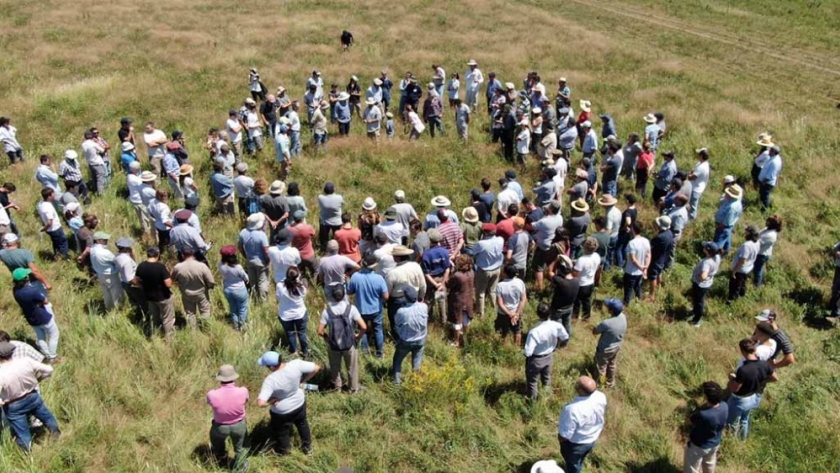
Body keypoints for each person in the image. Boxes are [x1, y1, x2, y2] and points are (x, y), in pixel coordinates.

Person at [256, 351, 320, 455]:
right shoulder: (296, 364)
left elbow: (260, 403)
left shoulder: (270, 380)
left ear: (272, 367)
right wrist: (303, 380)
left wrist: (271, 402)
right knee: (302, 424)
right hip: (299, 403)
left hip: (282, 412)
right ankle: (307, 448)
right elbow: (316, 368)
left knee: (282, 432)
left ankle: (285, 452)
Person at [0, 342, 60, 451]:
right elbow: (49, 369)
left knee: (22, 433)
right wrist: (40, 378)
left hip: (13, 405)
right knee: (47, 417)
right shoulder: (25, 361)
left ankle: (28, 455)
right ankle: (56, 434)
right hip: (32, 396)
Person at [726, 339, 778, 440]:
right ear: (754, 349)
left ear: (742, 351)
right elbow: (775, 378)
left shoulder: (743, 370)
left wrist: (731, 379)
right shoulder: (764, 364)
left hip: (739, 400)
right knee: (744, 420)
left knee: (732, 423)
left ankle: (732, 442)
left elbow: (735, 389)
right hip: (753, 397)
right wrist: (761, 379)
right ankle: (743, 440)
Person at [318, 286, 366, 393]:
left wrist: (327, 338)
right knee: (352, 367)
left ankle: (336, 388)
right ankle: (353, 389)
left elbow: (320, 331)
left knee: (335, 368)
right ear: (344, 295)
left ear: (332, 296)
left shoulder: (327, 312)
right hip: (349, 344)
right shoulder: (351, 309)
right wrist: (358, 336)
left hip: (334, 345)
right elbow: (364, 327)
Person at [205, 364, 250, 472]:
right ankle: (241, 467)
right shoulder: (243, 391)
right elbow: (246, 401)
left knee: (217, 444)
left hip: (220, 426)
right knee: (240, 448)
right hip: (239, 424)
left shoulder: (212, 394)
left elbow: (209, 403)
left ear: (219, 379)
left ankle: (221, 460)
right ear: (234, 377)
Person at [557, 376, 607, 473]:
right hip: (593, 437)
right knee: (581, 456)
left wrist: (560, 438)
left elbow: (566, 435)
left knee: (573, 464)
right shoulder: (601, 396)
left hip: (577, 443)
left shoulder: (572, 409)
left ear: (581, 390)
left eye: (577, 384)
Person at [12, 269, 60, 362]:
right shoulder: (32, 291)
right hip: (43, 316)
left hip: (31, 318)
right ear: (25, 278)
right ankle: (53, 356)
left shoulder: (15, 291)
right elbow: (45, 301)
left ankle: (47, 355)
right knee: (54, 334)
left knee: (40, 336)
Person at [524, 302, 569, 399]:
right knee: (547, 378)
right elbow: (565, 336)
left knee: (532, 382)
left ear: (537, 313)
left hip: (536, 359)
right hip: (549, 356)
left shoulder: (534, 331)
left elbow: (528, 352)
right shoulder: (556, 326)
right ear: (550, 313)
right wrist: (557, 344)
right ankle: (546, 398)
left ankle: (532, 403)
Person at [347, 254, 389, 358]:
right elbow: (386, 296)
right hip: (376, 309)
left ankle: (365, 354)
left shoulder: (355, 276)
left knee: (363, 330)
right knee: (378, 330)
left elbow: (349, 292)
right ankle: (380, 353)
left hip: (360, 310)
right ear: (374, 266)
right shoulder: (379, 278)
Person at [683, 381, 728, 473]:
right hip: (715, 442)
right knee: (709, 463)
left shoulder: (703, 414)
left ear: (706, 397)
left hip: (699, 445)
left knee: (692, 468)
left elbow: (688, 422)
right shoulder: (725, 406)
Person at [133, 246, 175, 341]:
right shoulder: (160, 267)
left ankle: (155, 336)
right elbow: (168, 284)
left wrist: (142, 286)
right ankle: (169, 339)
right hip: (163, 297)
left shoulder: (141, 266)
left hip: (149, 297)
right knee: (167, 318)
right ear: (158, 255)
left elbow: (136, 281)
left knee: (154, 318)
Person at [386, 245, 427, 340]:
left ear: (397, 257)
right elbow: (423, 285)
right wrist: (421, 296)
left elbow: (388, 291)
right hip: (414, 296)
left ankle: (398, 340)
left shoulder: (392, 273)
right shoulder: (416, 266)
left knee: (396, 322)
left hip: (397, 300)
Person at [171, 246, 215, 328]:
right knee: (205, 311)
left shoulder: (178, 267)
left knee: (190, 313)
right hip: (202, 293)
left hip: (186, 294)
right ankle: (206, 328)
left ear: (182, 255)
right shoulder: (201, 266)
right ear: (193, 254)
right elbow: (211, 281)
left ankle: (193, 331)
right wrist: (209, 287)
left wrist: (179, 284)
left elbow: (172, 279)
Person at [392, 286, 428, 384]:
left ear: (405, 297)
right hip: (420, 339)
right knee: (417, 362)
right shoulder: (424, 307)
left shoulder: (402, 311)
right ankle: (415, 382)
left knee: (397, 360)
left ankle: (397, 382)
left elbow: (396, 323)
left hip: (406, 340)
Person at [275, 265, 310, 356]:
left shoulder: (279, 286)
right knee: (302, 333)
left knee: (290, 333)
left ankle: (294, 351)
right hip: (300, 314)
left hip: (285, 315)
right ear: (297, 276)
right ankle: (305, 351)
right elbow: (304, 294)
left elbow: (278, 298)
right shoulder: (301, 287)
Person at [592, 298, 626, 388]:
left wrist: (595, 328)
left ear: (611, 311)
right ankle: (610, 383)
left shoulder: (606, 323)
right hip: (617, 346)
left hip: (605, 349)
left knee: (601, 367)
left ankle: (600, 385)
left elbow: (595, 332)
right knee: (612, 365)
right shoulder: (623, 317)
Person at [474, 224, 504, 318]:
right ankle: (494, 308)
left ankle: (481, 313)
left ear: (485, 232)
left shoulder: (481, 243)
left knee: (481, 292)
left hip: (484, 270)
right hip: (497, 269)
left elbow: (473, 252)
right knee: (492, 290)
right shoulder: (500, 240)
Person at [89, 231, 125, 311]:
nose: (106, 241)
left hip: (100, 274)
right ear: (98, 240)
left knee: (106, 293)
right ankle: (119, 310)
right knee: (117, 293)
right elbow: (116, 261)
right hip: (110, 275)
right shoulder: (105, 252)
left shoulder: (92, 249)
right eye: (104, 240)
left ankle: (109, 309)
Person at [421, 229, 451, 324]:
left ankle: (429, 320)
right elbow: (447, 269)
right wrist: (441, 284)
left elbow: (426, 273)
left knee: (429, 301)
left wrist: (434, 284)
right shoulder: (445, 252)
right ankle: (443, 321)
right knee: (441, 301)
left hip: (430, 281)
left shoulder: (426, 254)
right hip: (442, 278)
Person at [690, 242, 721, 326]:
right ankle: (694, 310)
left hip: (701, 284)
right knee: (697, 299)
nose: (703, 247)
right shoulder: (717, 257)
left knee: (699, 301)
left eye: (705, 247)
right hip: (707, 283)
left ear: (708, 251)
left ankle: (696, 321)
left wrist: (699, 276)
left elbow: (704, 276)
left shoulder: (707, 262)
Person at [495, 264, 527, 346]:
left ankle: (503, 348)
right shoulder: (520, 282)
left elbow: (500, 303)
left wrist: (509, 314)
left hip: (503, 313)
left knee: (503, 332)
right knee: (517, 330)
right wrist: (516, 314)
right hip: (516, 312)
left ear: (505, 273)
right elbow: (523, 299)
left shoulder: (500, 285)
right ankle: (516, 348)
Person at [728, 225, 760, 301]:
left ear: (750, 233)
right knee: (742, 284)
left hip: (740, 270)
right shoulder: (757, 242)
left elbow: (742, 260)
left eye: (747, 231)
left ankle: (731, 301)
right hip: (748, 268)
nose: (745, 232)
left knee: (734, 287)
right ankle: (742, 297)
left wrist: (734, 271)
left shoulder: (747, 245)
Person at [646, 216, 674, 302]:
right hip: (663, 258)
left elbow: (650, 248)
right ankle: (658, 287)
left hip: (656, 259)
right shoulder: (669, 233)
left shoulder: (660, 237)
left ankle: (652, 295)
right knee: (659, 273)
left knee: (652, 276)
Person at [622, 222, 650, 306]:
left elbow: (633, 259)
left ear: (633, 229)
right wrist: (645, 268)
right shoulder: (646, 241)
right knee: (638, 287)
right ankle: (639, 302)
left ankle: (626, 304)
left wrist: (641, 267)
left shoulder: (632, 243)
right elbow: (648, 255)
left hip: (631, 271)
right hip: (640, 272)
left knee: (628, 289)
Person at [37, 188, 69, 261]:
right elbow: (49, 222)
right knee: (63, 243)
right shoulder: (47, 207)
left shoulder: (42, 204)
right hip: (55, 229)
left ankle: (57, 256)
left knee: (56, 243)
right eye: (53, 194)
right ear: (49, 196)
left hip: (52, 229)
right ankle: (64, 259)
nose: (54, 195)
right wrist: (44, 229)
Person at [713, 184, 743, 255]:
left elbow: (726, 222)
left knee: (718, 243)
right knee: (726, 239)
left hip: (723, 227)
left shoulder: (732, 207)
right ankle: (726, 251)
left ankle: (715, 255)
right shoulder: (732, 201)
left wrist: (719, 226)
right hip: (727, 227)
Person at [753, 215, 782, 287]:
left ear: (773, 225)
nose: (766, 222)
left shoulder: (771, 235)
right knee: (759, 268)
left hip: (762, 255)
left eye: (768, 222)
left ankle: (757, 285)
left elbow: (758, 242)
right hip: (760, 252)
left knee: (757, 271)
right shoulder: (767, 229)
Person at [289, 210, 318, 278]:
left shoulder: (289, 228)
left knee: (301, 273)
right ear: (302, 219)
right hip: (308, 254)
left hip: (296, 255)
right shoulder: (308, 227)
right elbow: (313, 234)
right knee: (316, 269)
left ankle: (303, 285)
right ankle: (315, 283)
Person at [318, 182, 344, 252]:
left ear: (324, 190)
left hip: (325, 222)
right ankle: (337, 250)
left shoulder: (320, 198)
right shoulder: (339, 197)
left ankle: (324, 250)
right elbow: (342, 204)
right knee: (337, 238)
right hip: (337, 222)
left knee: (324, 239)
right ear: (334, 189)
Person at [687, 148, 711, 220]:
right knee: (690, 202)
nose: (697, 155)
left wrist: (688, 175)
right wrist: (690, 173)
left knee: (693, 204)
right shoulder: (700, 163)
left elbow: (692, 177)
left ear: (701, 156)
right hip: (694, 186)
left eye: (698, 154)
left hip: (696, 189)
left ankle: (691, 217)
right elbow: (692, 170)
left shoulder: (702, 167)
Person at [757, 145, 782, 211]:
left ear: (773, 152)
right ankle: (763, 205)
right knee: (763, 195)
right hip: (765, 182)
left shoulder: (774, 162)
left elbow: (770, 176)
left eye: (770, 150)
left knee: (765, 197)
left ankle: (764, 210)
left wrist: (763, 183)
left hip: (766, 183)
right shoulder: (775, 158)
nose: (769, 151)